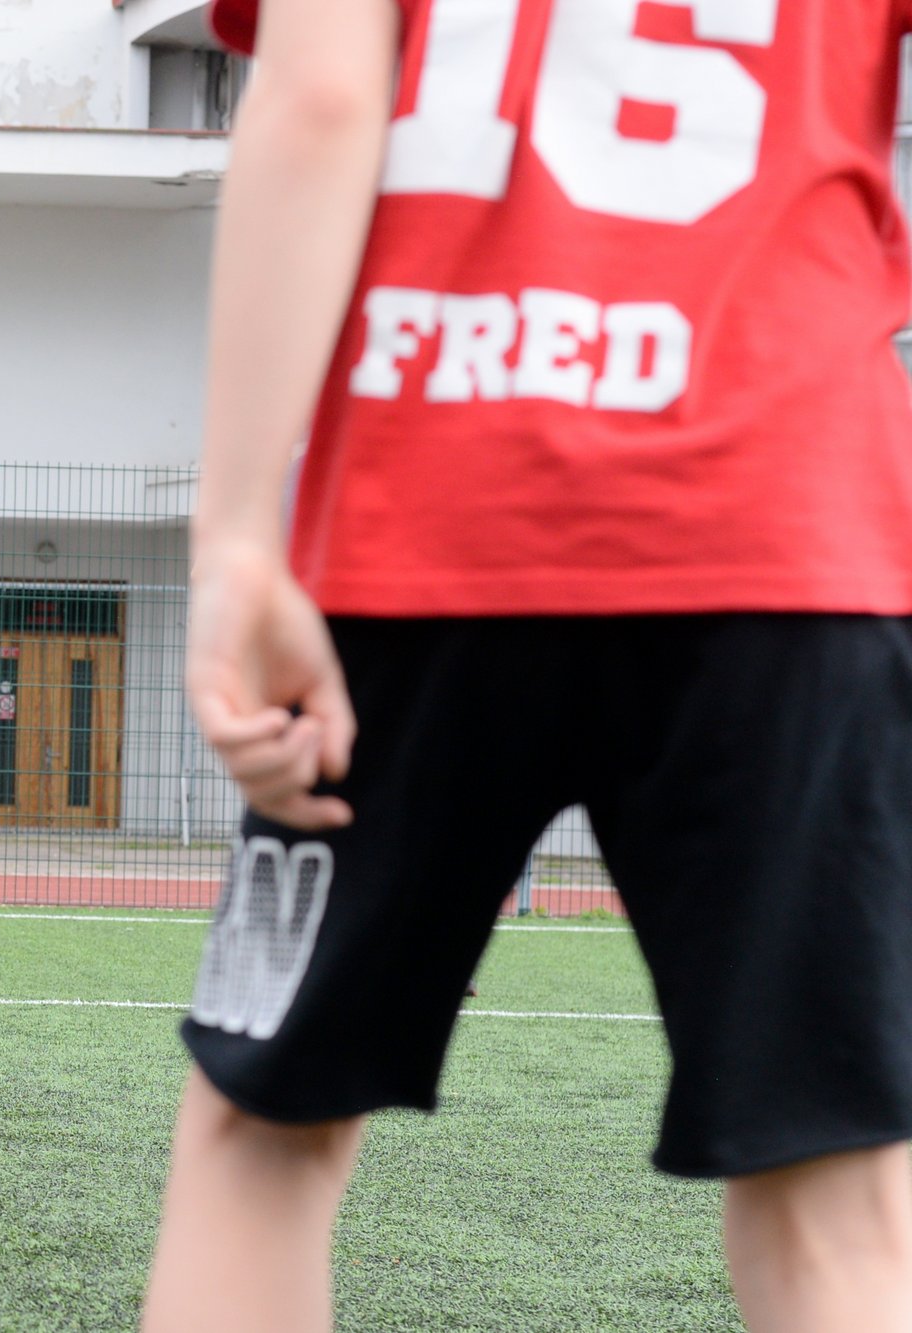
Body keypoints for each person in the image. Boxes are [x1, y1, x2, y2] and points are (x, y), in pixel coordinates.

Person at [146, 3, 912, 1330]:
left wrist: (232, 546)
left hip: (421, 525)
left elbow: (319, 103)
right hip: (780, 534)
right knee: (831, 1198)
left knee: (262, 1134)